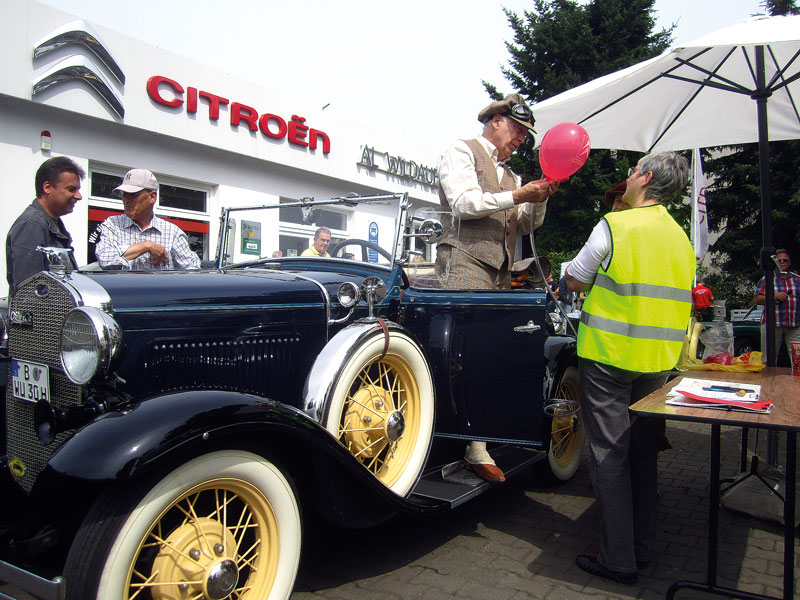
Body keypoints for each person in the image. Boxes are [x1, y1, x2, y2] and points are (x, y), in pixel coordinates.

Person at [566, 152, 695, 584]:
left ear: (646, 177)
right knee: (642, 456)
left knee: (609, 457)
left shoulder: (615, 225)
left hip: (607, 356)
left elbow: (576, 279)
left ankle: (617, 559)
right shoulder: (681, 238)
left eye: (633, 169)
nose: (627, 176)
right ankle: (640, 548)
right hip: (657, 362)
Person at [435, 93, 559, 482]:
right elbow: (464, 204)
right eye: (519, 129)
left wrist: (540, 197)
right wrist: (521, 194)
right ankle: (468, 443)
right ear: (497, 120)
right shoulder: (462, 150)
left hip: (499, 272)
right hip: (464, 263)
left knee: (488, 352)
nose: (522, 138)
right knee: (462, 353)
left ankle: (480, 439)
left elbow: (524, 225)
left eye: (526, 133)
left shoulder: (513, 176)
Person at [6, 156, 85, 294]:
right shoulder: (32, 224)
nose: (79, 196)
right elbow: (30, 292)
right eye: (71, 189)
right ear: (47, 187)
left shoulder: (52, 222)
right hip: (40, 315)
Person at [95, 169, 200, 270]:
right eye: (124, 194)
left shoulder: (172, 232)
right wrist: (146, 246)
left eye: (133, 194)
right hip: (123, 288)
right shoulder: (113, 224)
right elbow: (105, 259)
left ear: (152, 197)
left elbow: (193, 269)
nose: (126, 200)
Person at [753, 249, 800, 362]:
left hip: (795, 324)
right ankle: (769, 378)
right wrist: (774, 297)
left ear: (789, 263)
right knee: (769, 358)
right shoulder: (767, 279)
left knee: (798, 357)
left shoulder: (797, 279)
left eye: (785, 260)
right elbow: (756, 299)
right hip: (773, 323)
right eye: (779, 260)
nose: (782, 262)